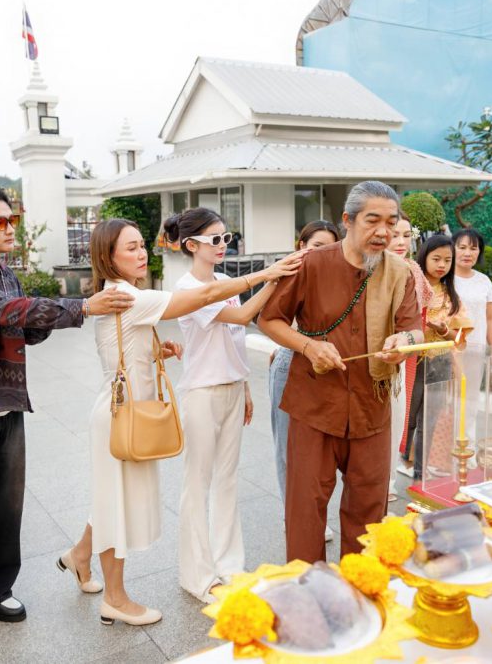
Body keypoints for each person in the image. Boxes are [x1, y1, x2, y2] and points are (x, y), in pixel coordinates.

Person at [0, 187, 135, 664]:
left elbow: (23, 325)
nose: (9, 229)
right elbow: (5, 311)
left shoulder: (6, 274)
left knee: (5, 510)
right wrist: (82, 307)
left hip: (6, 402)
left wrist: (46, 317)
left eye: (12, 220)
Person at [60, 219, 300, 625]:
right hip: (120, 415)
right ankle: (115, 599)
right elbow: (204, 296)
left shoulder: (126, 294)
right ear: (108, 257)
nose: (142, 254)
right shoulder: (125, 295)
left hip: (129, 410)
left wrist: (158, 351)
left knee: (114, 499)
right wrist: (264, 275)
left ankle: (80, 555)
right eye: (131, 248)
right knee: (115, 505)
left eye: (141, 245)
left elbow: (121, 348)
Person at [259, 181, 423, 563]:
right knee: (305, 511)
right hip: (313, 406)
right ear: (347, 220)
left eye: (391, 222)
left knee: (369, 513)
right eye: (372, 220)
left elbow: (414, 328)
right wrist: (308, 346)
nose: (383, 232)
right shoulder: (311, 264)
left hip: (371, 406)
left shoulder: (400, 273)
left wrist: (403, 341)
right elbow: (269, 319)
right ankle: (307, 589)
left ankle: (361, 588)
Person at [163, 208, 301, 603]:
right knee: (197, 484)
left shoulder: (226, 280)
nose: (223, 245)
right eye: (215, 239)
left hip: (230, 389)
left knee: (227, 481)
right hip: (202, 393)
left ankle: (230, 566)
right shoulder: (187, 288)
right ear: (191, 245)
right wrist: (271, 277)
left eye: (226, 237)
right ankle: (197, 576)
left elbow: (235, 337)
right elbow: (241, 316)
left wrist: (244, 387)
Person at [268, 220, 341, 531]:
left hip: (327, 368)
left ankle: (312, 515)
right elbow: (270, 319)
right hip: (292, 363)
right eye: (316, 247)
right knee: (288, 449)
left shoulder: (342, 276)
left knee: (318, 454)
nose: (323, 254)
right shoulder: (289, 273)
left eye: (330, 247)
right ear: (301, 246)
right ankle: (296, 518)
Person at [406, 234, 473, 480]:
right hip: (412, 361)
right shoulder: (410, 287)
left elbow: (460, 339)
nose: (442, 265)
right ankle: (396, 467)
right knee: (408, 419)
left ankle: (420, 474)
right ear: (424, 257)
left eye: (447, 260)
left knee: (429, 421)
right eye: (436, 259)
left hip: (441, 361)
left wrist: (444, 330)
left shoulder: (451, 296)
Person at [387, 214, 433, 480]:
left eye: (406, 235)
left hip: (404, 347)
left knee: (399, 412)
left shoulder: (413, 269)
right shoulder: (370, 268)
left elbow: (421, 311)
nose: (401, 242)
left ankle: (389, 480)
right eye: (395, 235)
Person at [453, 228, 492, 349]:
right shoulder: (444, 280)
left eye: (473, 249)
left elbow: (491, 318)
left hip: (478, 348)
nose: (467, 253)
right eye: (462, 248)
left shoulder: (484, 280)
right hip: (449, 350)